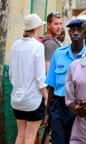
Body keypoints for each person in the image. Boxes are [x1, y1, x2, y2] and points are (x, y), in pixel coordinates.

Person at [45, 18, 86, 144]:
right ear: (69, 33)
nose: (75, 33)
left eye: (79, 30)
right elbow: (51, 85)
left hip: (80, 107)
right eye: (73, 30)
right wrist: (47, 112)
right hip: (59, 106)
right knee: (58, 141)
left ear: (84, 33)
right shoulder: (58, 54)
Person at [9, 13, 47, 144]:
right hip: (33, 100)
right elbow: (40, 77)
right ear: (36, 28)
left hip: (17, 98)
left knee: (21, 135)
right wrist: (46, 96)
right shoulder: (38, 46)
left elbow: (11, 74)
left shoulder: (15, 45)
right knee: (30, 137)